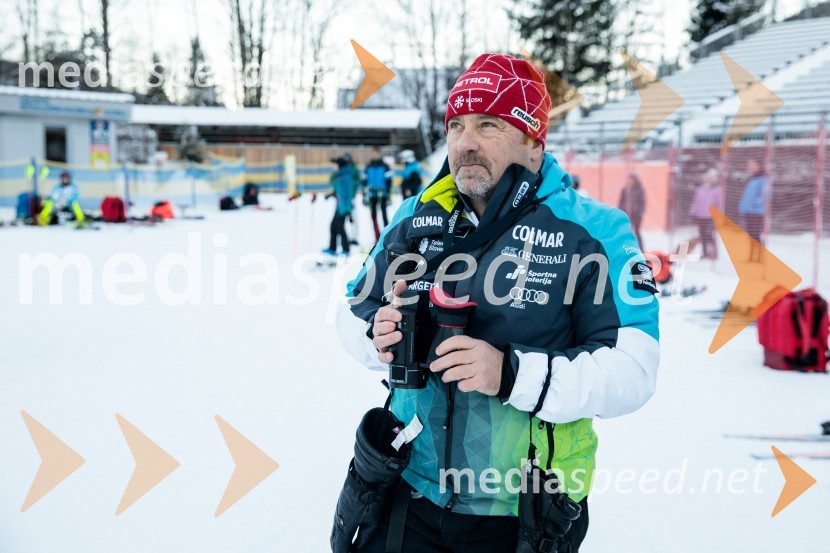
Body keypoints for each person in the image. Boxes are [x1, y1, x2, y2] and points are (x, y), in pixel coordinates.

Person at [335, 53, 659, 553]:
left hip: (523, 514)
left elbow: (633, 371)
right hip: (407, 491)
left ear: (533, 140)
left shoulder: (594, 232)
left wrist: (510, 374)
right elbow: (351, 311)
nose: (465, 143)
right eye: (456, 125)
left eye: (488, 125)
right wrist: (375, 333)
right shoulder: (415, 217)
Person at [323, 155, 356, 256]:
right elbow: (338, 192)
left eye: (335, 165)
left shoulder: (345, 177)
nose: (333, 166)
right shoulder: (340, 176)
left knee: (340, 228)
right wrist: (331, 194)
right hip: (339, 206)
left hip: (343, 208)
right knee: (333, 227)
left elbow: (347, 194)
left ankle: (346, 249)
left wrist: (347, 210)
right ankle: (332, 248)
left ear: (339, 166)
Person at [688, 168, 723, 259]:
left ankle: (713, 252)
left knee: (710, 235)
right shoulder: (700, 190)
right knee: (702, 234)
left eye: (710, 178)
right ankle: (705, 252)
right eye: (707, 178)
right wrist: (693, 212)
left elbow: (719, 203)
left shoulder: (717, 190)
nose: (707, 180)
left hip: (710, 216)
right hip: (700, 216)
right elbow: (696, 202)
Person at [738, 158, 767, 262]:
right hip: (748, 211)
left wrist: (756, 204)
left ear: (759, 165)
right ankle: (752, 256)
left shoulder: (763, 179)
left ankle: (759, 257)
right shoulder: (751, 179)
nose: (749, 166)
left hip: (756, 212)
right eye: (748, 164)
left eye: (752, 164)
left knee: (756, 234)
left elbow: (765, 195)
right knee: (750, 234)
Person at [364, 146, 392, 241]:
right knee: (374, 216)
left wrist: (388, 193)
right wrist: (365, 193)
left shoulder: (385, 165)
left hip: (382, 194)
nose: (373, 154)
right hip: (372, 194)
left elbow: (389, 180)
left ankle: (388, 236)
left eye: (375, 152)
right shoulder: (368, 166)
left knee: (384, 214)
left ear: (379, 153)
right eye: (372, 153)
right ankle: (377, 237)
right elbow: (364, 180)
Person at [618, 172, 646, 248]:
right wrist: (620, 212)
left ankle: (641, 248)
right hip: (626, 214)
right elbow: (621, 202)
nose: (630, 181)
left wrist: (640, 212)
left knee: (637, 231)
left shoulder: (639, 189)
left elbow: (642, 202)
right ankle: (626, 247)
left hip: (636, 214)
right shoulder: (625, 189)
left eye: (631, 179)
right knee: (626, 231)